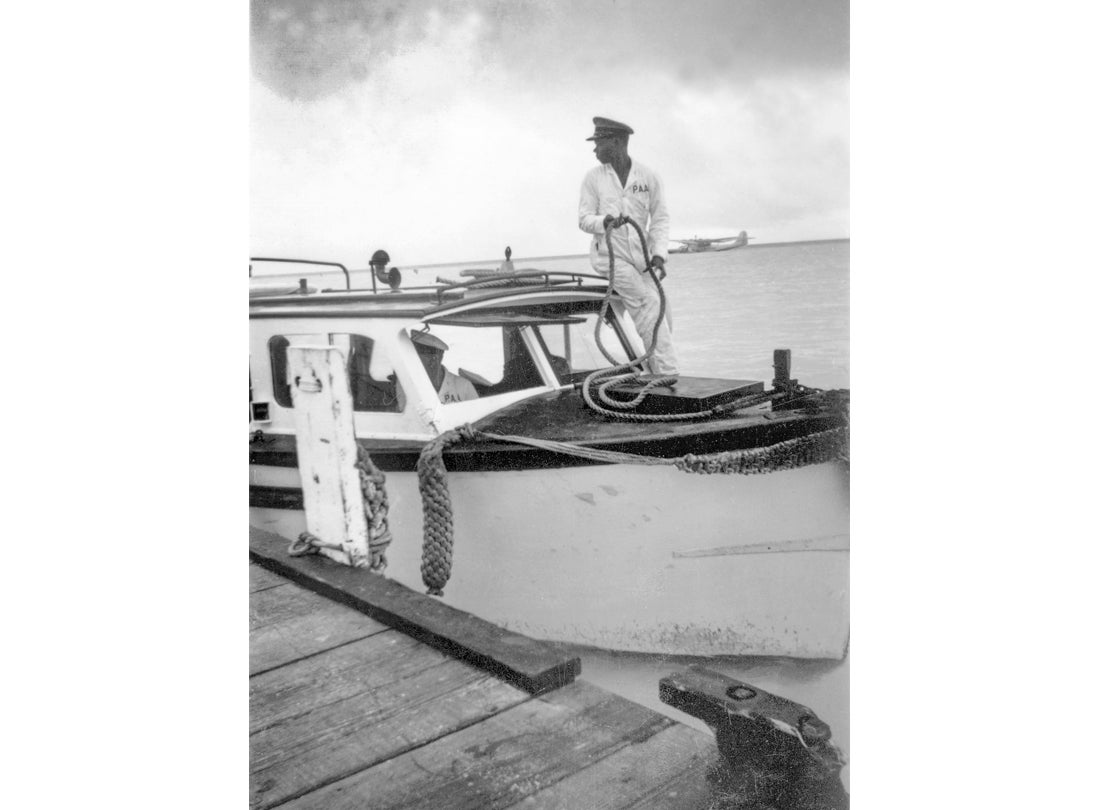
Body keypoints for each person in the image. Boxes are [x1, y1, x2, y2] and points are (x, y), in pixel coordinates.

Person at [578, 116, 678, 376]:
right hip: (610, 257)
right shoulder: (593, 179)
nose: (594, 149)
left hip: (642, 259)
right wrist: (604, 221)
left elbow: (660, 219)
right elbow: (584, 219)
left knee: (663, 312)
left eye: (599, 142)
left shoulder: (648, 176)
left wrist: (659, 255)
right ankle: (668, 376)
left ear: (616, 142)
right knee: (647, 305)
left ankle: (655, 370)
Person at [409, 330, 479, 404]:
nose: (433, 362)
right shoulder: (408, 383)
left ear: (440, 357)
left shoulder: (463, 386)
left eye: (433, 357)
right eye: (426, 356)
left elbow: (477, 409)